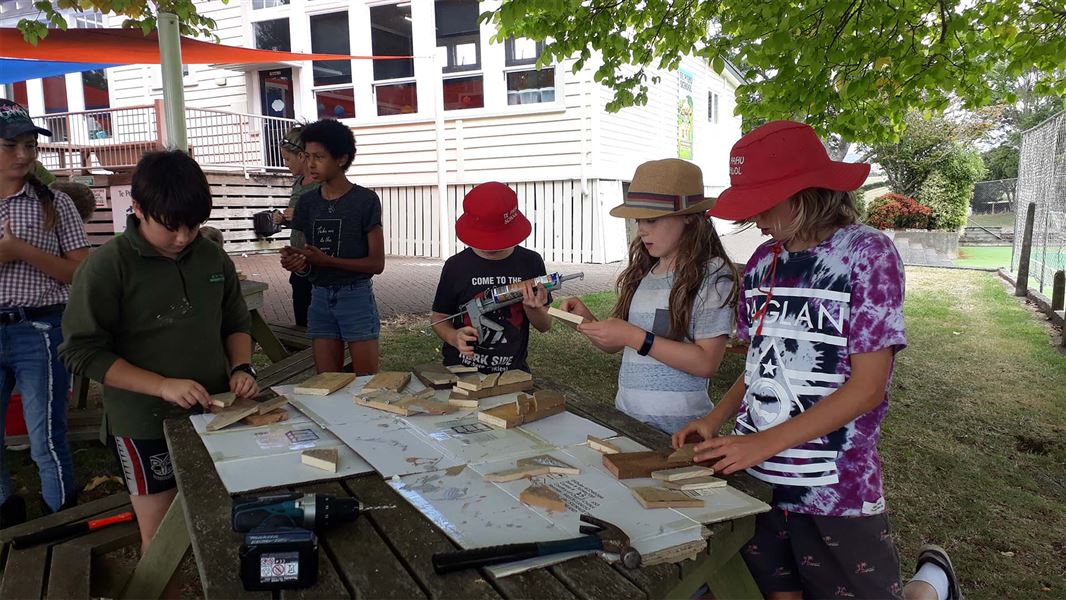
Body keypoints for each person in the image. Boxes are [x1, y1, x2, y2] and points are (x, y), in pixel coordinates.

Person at [672, 121, 962, 600]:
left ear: (804, 194)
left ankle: (932, 584)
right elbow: (760, 365)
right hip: (758, 476)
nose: (755, 220)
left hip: (834, 485)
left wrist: (764, 443)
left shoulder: (866, 254)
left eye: (762, 205)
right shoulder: (765, 260)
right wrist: (716, 418)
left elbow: (868, 387)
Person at [60, 150, 257, 551]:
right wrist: (162, 385)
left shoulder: (210, 254)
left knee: (220, 520)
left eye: (193, 225)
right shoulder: (107, 266)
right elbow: (81, 352)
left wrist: (243, 367)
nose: (183, 237)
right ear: (137, 208)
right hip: (143, 423)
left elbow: (235, 321)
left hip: (215, 410)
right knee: (162, 538)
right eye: (171, 226)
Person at [559, 159, 736, 434]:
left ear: (689, 216)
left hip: (681, 433)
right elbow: (618, 344)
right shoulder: (645, 271)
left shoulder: (711, 274)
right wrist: (587, 322)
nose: (642, 229)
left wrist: (634, 337)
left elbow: (706, 363)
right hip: (628, 421)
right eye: (639, 219)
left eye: (651, 219)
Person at [0, 99, 90, 527]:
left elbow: (80, 272)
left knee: (46, 436)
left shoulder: (54, 203)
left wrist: (19, 251)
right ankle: (6, 511)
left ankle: (59, 514)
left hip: (39, 328)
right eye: (10, 145)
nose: (23, 155)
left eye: (29, 145)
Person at [280, 120, 384, 375]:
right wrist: (297, 263)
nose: (310, 164)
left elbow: (376, 264)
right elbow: (308, 258)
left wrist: (329, 261)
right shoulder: (306, 203)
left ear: (341, 159)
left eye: (319, 156)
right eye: (306, 156)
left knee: (366, 384)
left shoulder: (365, 201)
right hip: (320, 297)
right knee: (326, 385)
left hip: (355, 296)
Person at [431, 182, 552, 373]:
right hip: (459, 371)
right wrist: (453, 337)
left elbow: (545, 326)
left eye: (499, 241)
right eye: (484, 241)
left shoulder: (531, 262)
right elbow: (439, 317)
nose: (491, 248)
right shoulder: (456, 266)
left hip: (512, 373)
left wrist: (532, 309)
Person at [273, 125, 319, 328]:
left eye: (287, 159)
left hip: (318, 261)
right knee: (302, 314)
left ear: (302, 156)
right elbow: (297, 219)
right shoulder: (298, 183)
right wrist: (284, 219)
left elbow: (331, 220)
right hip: (298, 261)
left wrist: (299, 216)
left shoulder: (322, 184)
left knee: (318, 318)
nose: (286, 164)